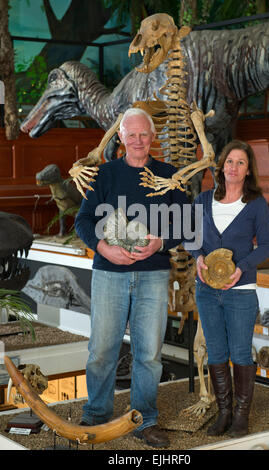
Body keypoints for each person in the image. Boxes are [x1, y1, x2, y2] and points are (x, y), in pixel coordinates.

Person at [75, 107, 188, 448]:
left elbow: (185, 224)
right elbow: (82, 221)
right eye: (131, 134)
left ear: (152, 137)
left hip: (153, 276)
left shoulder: (170, 175)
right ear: (120, 138)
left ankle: (144, 420)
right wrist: (102, 248)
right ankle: (96, 416)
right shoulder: (103, 175)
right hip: (109, 274)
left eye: (144, 134)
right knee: (102, 350)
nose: (138, 140)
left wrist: (160, 243)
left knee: (150, 353)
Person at [187, 140, 269, 438]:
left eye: (240, 163)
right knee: (216, 352)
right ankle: (223, 412)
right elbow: (189, 237)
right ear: (221, 166)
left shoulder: (256, 204)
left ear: (248, 170)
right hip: (207, 291)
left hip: (241, 290)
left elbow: (266, 245)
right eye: (229, 162)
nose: (233, 167)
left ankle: (240, 417)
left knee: (240, 353)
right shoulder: (201, 201)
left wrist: (242, 266)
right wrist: (197, 256)